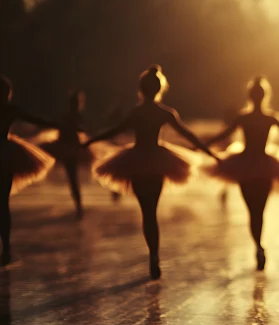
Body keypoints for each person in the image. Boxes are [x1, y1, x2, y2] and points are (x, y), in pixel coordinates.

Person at [84, 65, 218, 279]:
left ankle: (152, 254)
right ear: (158, 89)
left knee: (147, 213)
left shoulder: (136, 112)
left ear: (141, 89)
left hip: (136, 161)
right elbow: (188, 134)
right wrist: (209, 152)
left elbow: (115, 130)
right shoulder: (165, 113)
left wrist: (91, 140)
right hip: (157, 161)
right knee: (152, 211)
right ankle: (154, 255)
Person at [205, 77, 279, 270]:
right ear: (265, 95)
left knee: (252, 211)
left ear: (250, 95)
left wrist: (203, 145)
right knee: (260, 211)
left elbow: (223, 136)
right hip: (265, 166)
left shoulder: (244, 117)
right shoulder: (271, 117)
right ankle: (259, 246)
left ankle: (258, 246)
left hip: (245, 165)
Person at [0, 75, 57, 266]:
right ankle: (6, 247)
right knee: (3, 203)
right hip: (6, 155)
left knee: (2, 203)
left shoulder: (11, 109)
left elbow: (34, 119)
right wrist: (55, 124)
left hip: (7, 155)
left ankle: (6, 247)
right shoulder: (10, 109)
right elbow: (35, 119)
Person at [39, 90, 91, 219]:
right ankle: (78, 203)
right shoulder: (74, 116)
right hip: (68, 146)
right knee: (72, 177)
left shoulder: (71, 116)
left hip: (70, 147)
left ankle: (78, 203)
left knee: (72, 177)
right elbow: (81, 129)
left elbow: (81, 129)